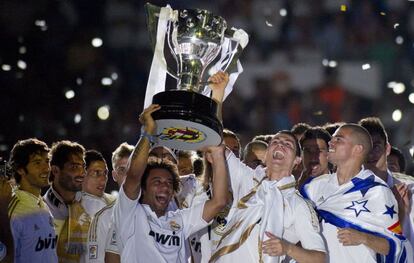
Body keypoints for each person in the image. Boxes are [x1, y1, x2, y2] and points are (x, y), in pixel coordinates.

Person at [113, 104, 229, 262]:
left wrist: (218, 154)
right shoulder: (130, 214)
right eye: (157, 181)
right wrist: (147, 132)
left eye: (169, 182)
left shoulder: (179, 219)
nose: (165, 186)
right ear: (143, 188)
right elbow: (133, 175)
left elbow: (219, 202)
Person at [300, 123, 412, 262]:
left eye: (338, 139)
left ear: (357, 149)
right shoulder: (312, 187)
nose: (331, 142)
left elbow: (396, 245)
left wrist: (363, 237)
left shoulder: (377, 191)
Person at [211, 130, 326, 262]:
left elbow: (320, 258)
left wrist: (288, 248)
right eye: (275, 142)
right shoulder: (248, 178)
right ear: (266, 155)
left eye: (288, 144)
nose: (280, 145)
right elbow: (216, 145)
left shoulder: (298, 204)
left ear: (297, 160)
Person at [359, 117, 414, 249]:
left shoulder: (410, 191)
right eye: (365, 147)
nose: (371, 154)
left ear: (387, 149)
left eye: (376, 146)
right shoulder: (347, 193)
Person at [8, 138, 58, 262]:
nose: (46, 168)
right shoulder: (13, 210)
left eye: (47, 161)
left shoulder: (43, 205)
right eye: (37, 163)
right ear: (20, 169)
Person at [44, 140, 90, 261]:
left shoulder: (92, 205)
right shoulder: (41, 209)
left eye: (83, 166)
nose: (83, 173)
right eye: (75, 167)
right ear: (55, 170)